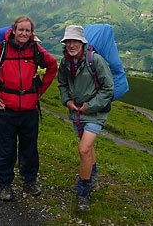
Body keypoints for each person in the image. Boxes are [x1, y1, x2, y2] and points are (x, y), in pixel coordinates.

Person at [0, 16, 57, 201]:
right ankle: (5, 184)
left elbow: (52, 66)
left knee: (29, 148)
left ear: (31, 33)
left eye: (28, 30)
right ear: (14, 31)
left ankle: (29, 181)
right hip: (6, 110)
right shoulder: (0, 50)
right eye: (21, 30)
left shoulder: (36, 49)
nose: (24, 33)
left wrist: (39, 91)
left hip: (29, 110)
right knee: (5, 148)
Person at [57, 25, 114, 211]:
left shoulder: (95, 60)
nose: (71, 44)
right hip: (77, 112)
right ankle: (94, 178)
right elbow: (62, 84)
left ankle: (84, 191)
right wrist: (67, 101)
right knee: (88, 149)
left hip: (95, 113)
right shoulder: (65, 62)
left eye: (75, 41)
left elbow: (108, 88)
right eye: (68, 41)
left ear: (83, 42)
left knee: (83, 150)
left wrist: (91, 106)